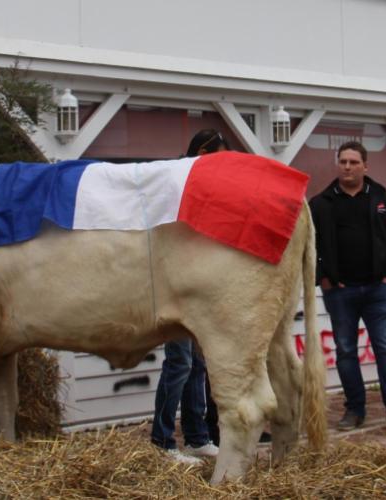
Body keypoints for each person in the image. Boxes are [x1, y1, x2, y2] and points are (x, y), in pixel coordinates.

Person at [309, 141, 386, 432]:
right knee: (345, 351)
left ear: (365, 166)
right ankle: (355, 410)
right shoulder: (321, 203)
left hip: (378, 290)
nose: (348, 166)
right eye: (343, 161)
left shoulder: (381, 197)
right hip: (341, 292)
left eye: (354, 162)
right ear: (337, 164)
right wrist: (324, 278)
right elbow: (308, 244)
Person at [150, 129, 227, 465]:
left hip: (197, 284)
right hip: (174, 284)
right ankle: (162, 440)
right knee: (180, 362)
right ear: (203, 151)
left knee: (196, 363)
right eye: (217, 157)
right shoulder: (176, 181)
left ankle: (196, 437)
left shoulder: (203, 184)